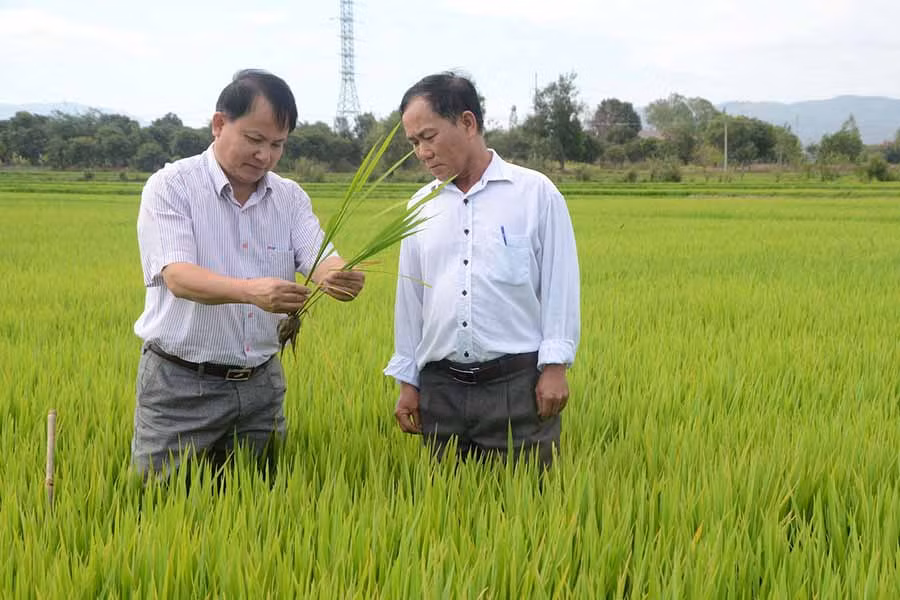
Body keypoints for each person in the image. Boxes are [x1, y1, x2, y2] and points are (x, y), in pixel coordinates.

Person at [132, 69, 364, 478]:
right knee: (159, 506)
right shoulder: (171, 186)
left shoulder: (289, 197)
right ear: (220, 124)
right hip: (180, 384)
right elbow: (178, 277)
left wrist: (338, 277)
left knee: (258, 511)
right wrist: (251, 292)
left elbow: (321, 256)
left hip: (261, 385)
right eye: (255, 140)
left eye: (278, 145)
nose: (265, 156)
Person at [384, 72, 580, 468]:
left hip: (517, 386)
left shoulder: (535, 193)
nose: (422, 153)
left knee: (529, 514)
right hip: (441, 389)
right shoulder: (420, 206)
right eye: (414, 143)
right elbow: (411, 301)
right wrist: (408, 382)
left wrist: (555, 366)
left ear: (468, 123)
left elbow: (560, 284)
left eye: (429, 136)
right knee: (447, 517)